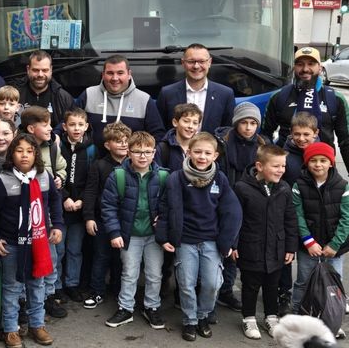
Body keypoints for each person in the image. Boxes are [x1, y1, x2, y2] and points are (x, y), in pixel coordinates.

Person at [156, 132, 242, 342]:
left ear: (215, 156)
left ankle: (203, 315)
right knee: (186, 283)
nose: (202, 156)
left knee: (212, 283)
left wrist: (228, 241)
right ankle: (190, 320)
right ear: (188, 152)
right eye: (197, 152)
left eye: (207, 153)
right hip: (185, 240)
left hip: (211, 240)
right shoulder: (176, 178)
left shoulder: (219, 179)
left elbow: (232, 211)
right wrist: (164, 236)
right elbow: (166, 208)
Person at [0, 133, 64, 348]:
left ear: (36, 153)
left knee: (37, 284)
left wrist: (57, 225)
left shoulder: (44, 177)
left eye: (29, 151)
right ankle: (11, 329)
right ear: (12, 154)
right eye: (19, 151)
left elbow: (55, 202)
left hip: (39, 241)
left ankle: (37, 324)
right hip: (11, 243)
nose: (25, 155)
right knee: (11, 287)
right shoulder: (3, 181)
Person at [102, 131, 168, 329]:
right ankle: (126, 308)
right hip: (129, 234)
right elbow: (108, 206)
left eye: (147, 152)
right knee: (129, 273)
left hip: (154, 236)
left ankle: (152, 307)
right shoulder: (118, 176)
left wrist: (163, 221)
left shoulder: (164, 176)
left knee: (155, 273)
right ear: (128, 153)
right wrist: (114, 233)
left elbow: (171, 205)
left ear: (154, 153)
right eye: (137, 151)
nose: (142, 156)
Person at [232, 145, 297, 339]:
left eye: (283, 166)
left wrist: (291, 247)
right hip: (251, 246)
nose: (281, 170)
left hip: (277, 248)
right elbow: (235, 218)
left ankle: (271, 316)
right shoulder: (242, 188)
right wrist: (233, 244)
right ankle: (249, 318)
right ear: (259, 166)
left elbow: (290, 219)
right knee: (250, 284)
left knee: (272, 285)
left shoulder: (284, 188)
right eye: (276, 166)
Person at [212, 101, 268, 317]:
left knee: (237, 250)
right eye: (244, 122)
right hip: (224, 200)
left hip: (250, 202)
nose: (248, 127)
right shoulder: (223, 143)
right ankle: (215, 291)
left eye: (253, 123)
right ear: (236, 123)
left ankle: (227, 290)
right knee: (221, 246)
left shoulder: (262, 145)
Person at [263, 46, 349, 171]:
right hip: (285, 171)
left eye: (311, 64)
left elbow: (345, 140)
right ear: (294, 68)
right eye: (300, 64)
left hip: (322, 170)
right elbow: (265, 134)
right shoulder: (279, 96)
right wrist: (271, 164)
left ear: (320, 68)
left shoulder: (335, 98)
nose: (305, 69)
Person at [291, 142, 349, 320]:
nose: (318, 164)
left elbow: (346, 219)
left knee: (333, 282)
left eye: (323, 160)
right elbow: (297, 215)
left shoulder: (343, 185)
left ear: (331, 162)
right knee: (303, 281)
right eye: (313, 160)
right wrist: (308, 241)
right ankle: (297, 316)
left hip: (334, 247)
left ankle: (332, 318)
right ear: (306, 163)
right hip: (308, 246)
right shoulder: (299, 185)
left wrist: (334, 244)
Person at [20, 106, 68, 318]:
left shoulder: (53, 147)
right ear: (31, 128)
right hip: (23, 216)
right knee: (24, 258)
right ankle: (23, 299)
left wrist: (61, 178)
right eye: (46, 124)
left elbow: (62, 167)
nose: (51, 128)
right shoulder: (19, 147)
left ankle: (49, 295)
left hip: (47, 213)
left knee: (51, 256)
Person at [82, 122, 131, 309]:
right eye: (118, 141)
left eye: (126, 141)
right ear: (107, 145)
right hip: (102, 219)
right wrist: (89, 217)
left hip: (125, 220)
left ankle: (119, 291)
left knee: (122, 258)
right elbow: (90, 192)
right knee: (101, 256)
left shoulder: (133, 164)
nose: (123, 144)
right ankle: (97, 292)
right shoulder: (99, 165)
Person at [278, 111, 319, 315]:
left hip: (312, 215)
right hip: (287, 213)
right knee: (286, 255)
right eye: (297, 134)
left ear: (315, 133)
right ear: (291, 134)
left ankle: (313, 297)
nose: (301, 139)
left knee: (310, 259)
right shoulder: (284, 153)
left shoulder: (321, 153)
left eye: (306, 134)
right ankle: (284, 294)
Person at [78, 55, 165, 151]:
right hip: (92, 162)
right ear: (103, 75)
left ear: (129, 74)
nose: (115, 78)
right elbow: (68, 124)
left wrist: (139, 157)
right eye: (110, 73)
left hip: (130, 164)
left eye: (120, 73)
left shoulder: (144, 100)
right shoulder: (88, 95)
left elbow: (158, 136)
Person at [59, 108, 96, 302]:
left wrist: (82, 200)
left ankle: (72, 283)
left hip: (80, 208)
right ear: (64, 126)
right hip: (60, 207)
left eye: (80, 125)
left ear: (86, 127)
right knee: (58, 249)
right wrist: (64, 197)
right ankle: (55, 286)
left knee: (75, 249)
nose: (76, 128)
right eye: (72, 124)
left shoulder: (91, 149)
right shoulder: (57, 145)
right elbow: (54, 175)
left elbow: (92, 179)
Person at [157, 43, 235, 134]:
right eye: (191, 61)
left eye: (202, 61)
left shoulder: (225, 94)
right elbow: (160, 130)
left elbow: (227, 131)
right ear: (183, 63)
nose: (196, 66)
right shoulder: (167, 93)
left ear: (209, 62)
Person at [12, 50, 74, 127]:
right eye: (35, 70)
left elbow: (70, 127)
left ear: (51, 70)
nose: (40, 74)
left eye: (45, 70)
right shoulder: (14, 94)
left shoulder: (63, 98)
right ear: (28, 69)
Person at [155, 103, 202, 171]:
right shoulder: (162, 148)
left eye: (195, 123)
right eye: (186, 121)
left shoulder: (202, 148)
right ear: (175, 122)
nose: (190, 126)